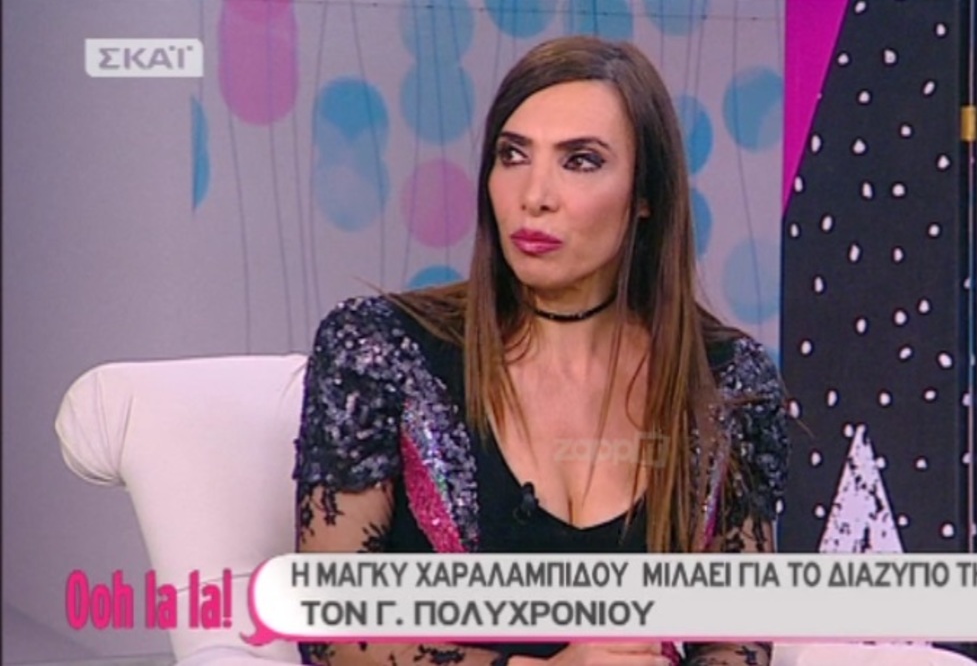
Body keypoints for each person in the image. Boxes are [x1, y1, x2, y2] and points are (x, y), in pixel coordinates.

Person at [293, 35, 790, 666]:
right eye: (513, 155)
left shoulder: (725, 381)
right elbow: (331, 629)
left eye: (580, 161)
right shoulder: (381, 350)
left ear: (646, 195)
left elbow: (736, 634)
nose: (534, 195)